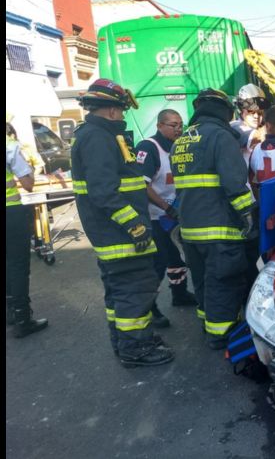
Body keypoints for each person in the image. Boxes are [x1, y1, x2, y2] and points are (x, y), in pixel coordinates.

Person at [72, 78, 174, 367]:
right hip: (121, 237)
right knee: (135, 291)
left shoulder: (97, 135)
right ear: (113, 110)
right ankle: (136, 349)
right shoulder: (98, 137)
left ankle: (125, 342)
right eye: (122, 110)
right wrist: (134, 225)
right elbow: (103, 192)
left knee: (119, 294)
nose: (124, 115)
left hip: (113, 236)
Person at [170, 88, 258, 350]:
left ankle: (207, 324)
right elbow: (234, 182)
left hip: (190, 228)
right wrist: (247, 213)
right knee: (224, 281)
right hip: (219, 227)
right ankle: (221, 334)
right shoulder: (220, 136)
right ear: (224, 111)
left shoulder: (182, 140)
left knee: (203, 281)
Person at [134, 109, 196, 329]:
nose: (179, 129)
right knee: (157, 263)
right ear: (160, 125)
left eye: (181, 124)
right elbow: (142, 185)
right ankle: (150, 308)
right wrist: (166, 207)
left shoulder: (178, 147)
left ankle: (179, 293)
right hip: (155, 216)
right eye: (173, 125)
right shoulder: (149, 148)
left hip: (174, 213)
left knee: (176, 258)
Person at [6, 121, 49, 338]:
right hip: (9, 212)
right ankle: (22, 319)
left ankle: (9, 312)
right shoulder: (10, 145)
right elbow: (28, 183)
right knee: (16, 265)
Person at [230, 84, 269, 166]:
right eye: (251, 111)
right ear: (240, 110)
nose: (256, 116)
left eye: (260, 112)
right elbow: (258, 137)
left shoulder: (261, 127)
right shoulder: (235, 127)